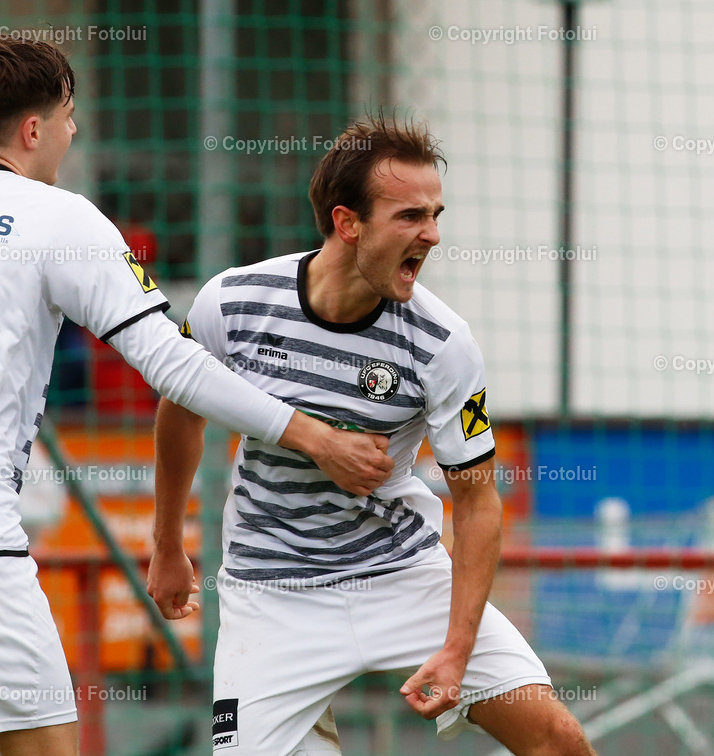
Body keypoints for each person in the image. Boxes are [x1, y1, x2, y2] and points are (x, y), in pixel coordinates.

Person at [0, 36, 394, 756]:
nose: (74, 133)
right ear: (33, 129)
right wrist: (315, 436)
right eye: (69, 116)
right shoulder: (57, 216)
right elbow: (172, 363)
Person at [147, 114, 597, 755]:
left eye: (436, 214)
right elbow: (180, 411)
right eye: (411, 216)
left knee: (558, 739)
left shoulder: (443, 344)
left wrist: (456, 650)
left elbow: (477, 502)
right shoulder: (231, 303)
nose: (433, 235)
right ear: (346, 222)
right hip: (272, 595)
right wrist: (167, 544)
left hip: (404, 576)